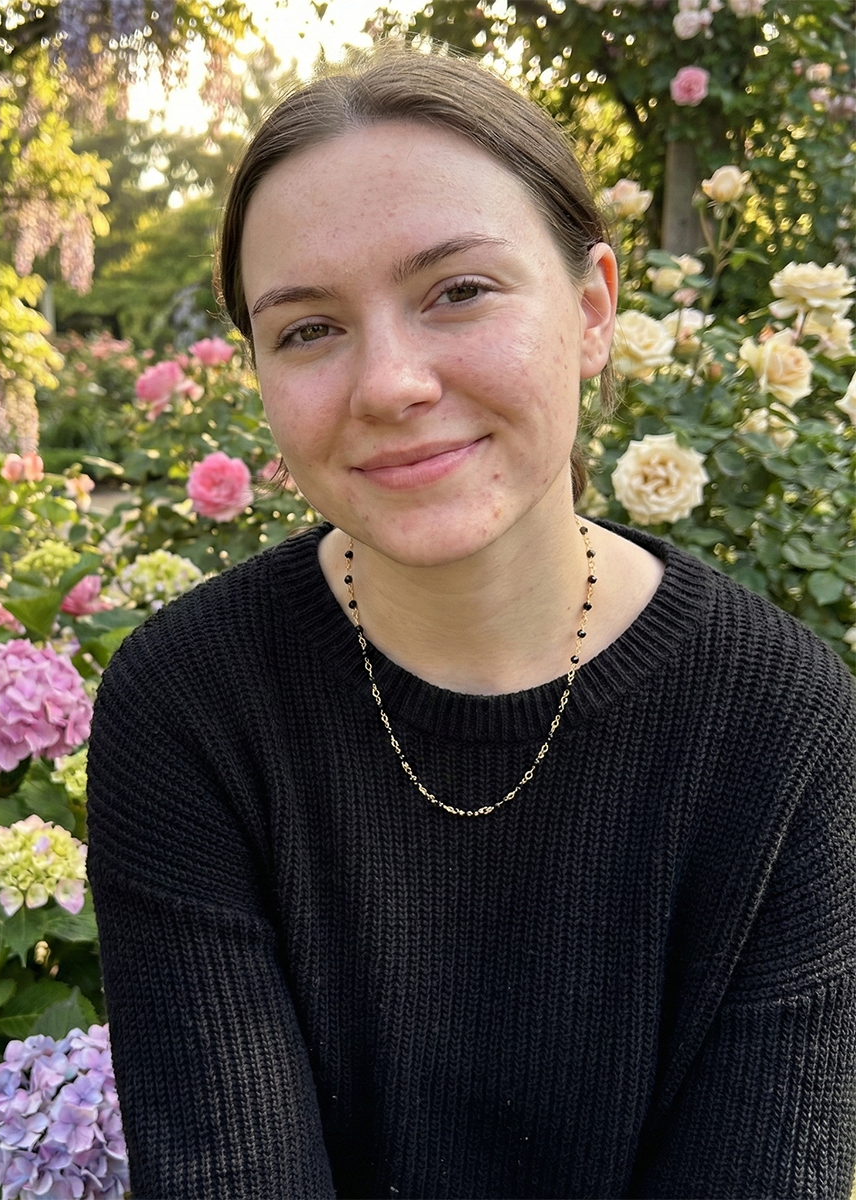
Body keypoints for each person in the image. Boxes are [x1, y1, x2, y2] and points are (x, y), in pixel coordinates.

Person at [86, 45, 856, 1198]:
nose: (390, 383)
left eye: (459, 291)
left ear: (592, 309)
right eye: (307, 330)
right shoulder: (190, 705)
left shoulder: (783, 726)